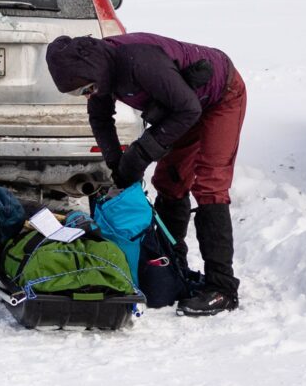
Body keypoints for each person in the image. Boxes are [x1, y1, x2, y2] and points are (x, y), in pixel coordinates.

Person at [46, 31, 246, 316]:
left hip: (220, 96)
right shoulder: (101, 74)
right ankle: (173, 267)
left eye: (84, 89)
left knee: (210, 184)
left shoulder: (139, 62)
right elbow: (101, 120)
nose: (86, 95)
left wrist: (140, 153)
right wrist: (118, 165)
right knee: (169, 181)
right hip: (185, 105)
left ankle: (222, 288)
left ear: (92, 72)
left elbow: (187, 109)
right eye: (78, 93)